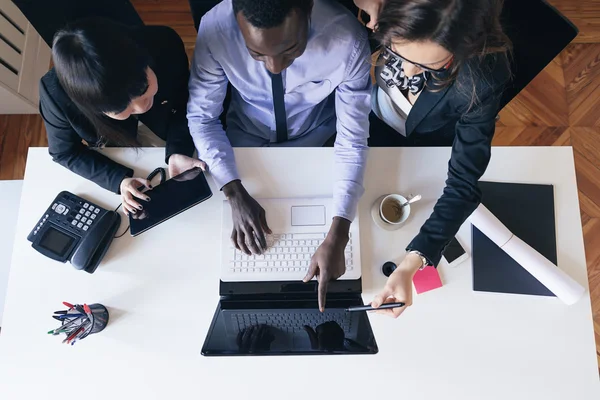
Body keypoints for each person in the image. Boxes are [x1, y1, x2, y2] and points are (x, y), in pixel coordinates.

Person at [187, 0, 371, 311]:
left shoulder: (347, 41)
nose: (275, 66)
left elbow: (352, 139)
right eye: (256, 54)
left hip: (318, 144)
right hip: (242, 146)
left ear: (308, 11)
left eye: (291, 50)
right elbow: (202, 118)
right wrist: (232, 191)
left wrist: (340, 232)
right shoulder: (214, 30)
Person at [353, 0, 511, 318]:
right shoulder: (387, 11)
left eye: (429, 67)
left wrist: (412, 264)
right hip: (365, 116)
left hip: (422, 141)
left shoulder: (481, 78)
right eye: (398, 54)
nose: (408, 72)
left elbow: (463, 185)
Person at [40, 18, 204, 216]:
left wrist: (179, 149)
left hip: (172, 126)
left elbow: (186, 99)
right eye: (119, 108)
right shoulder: (55, 95)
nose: (141, 106)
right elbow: (65, 152)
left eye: (143, 88)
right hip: (122, 151)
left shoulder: (163, 42)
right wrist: (119, 180)